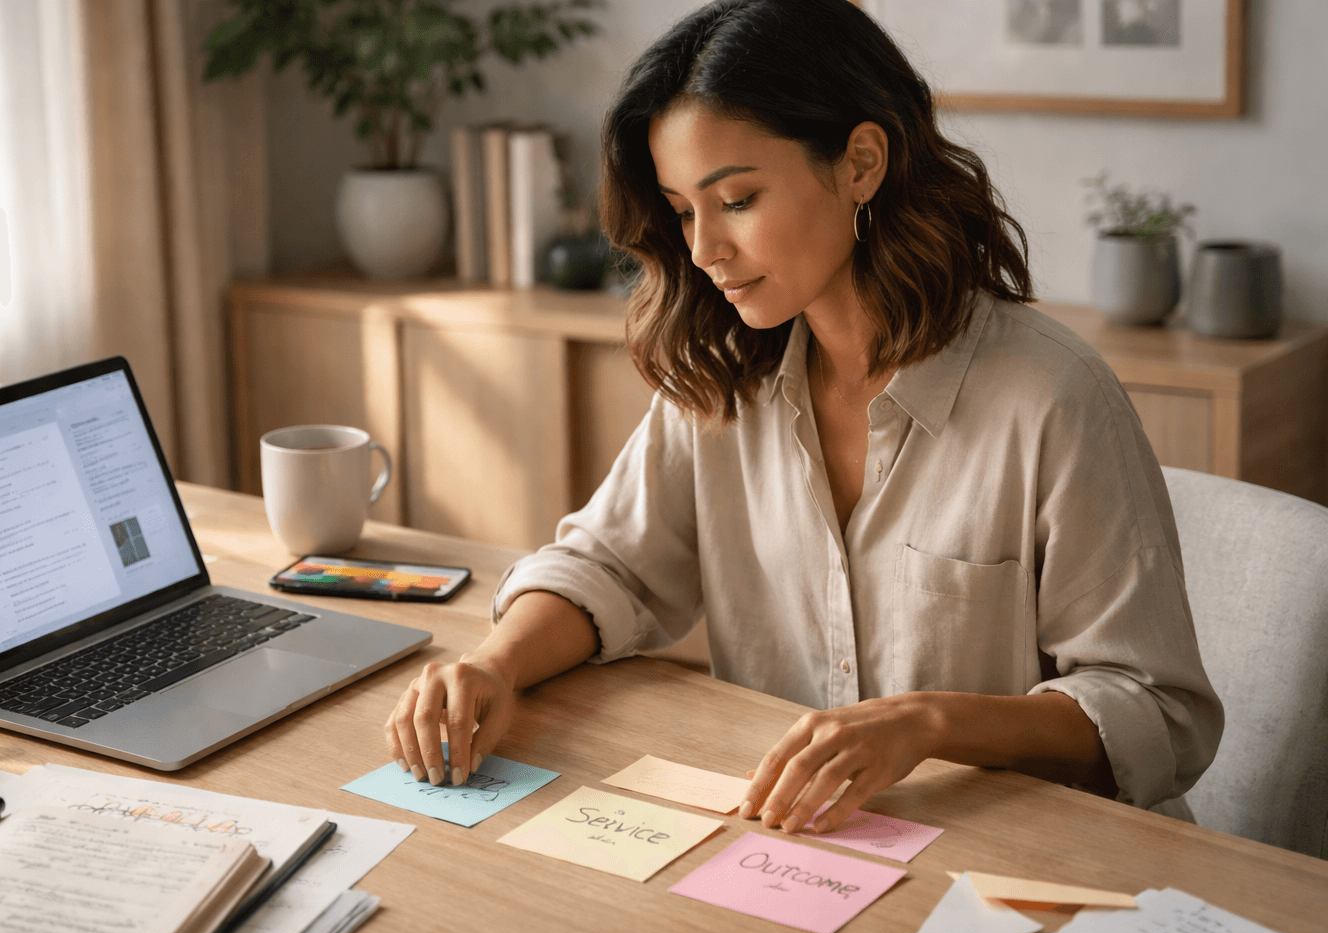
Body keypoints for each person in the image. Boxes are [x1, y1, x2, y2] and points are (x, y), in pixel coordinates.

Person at [383, 0, 1222, 832]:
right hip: (814, 848)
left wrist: (927, 724)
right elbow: (610, 567)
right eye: (682, 211)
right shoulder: (722, 381)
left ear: (861, 162)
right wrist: (493, 666)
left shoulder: (1051, 395)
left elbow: (1157, 711)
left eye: (737, 199)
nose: (704, 248)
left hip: (1030, 864)